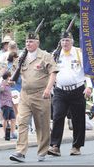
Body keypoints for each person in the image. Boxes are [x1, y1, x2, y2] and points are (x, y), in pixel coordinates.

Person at [9, 28, 58, 163]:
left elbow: (53, 72)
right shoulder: (21, 57)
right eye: (26, 41)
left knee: (42, 126)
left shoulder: (45, 56)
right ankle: (20, 152)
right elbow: (14, 72)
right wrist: (11, 80)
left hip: (41, 95)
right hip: (25, 95)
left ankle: (42, 151)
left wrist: (48, 89)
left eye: (31, 41)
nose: (28, 44)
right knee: (22, 121)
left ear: (37, 42)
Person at [48, 29, 92, 157]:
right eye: (62, 40)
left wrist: (89, 86)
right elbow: (50, 71)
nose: (65, 43)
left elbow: (87, 71)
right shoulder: (56, 54)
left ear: (72, 41)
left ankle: (76, 146)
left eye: (67, 40)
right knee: (57, 117)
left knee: (78, 119)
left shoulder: (79, 53)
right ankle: (55, 146)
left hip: (77, 89)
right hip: (60, 90)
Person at [0, 70, 17, 140]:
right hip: (5, 104)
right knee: (5, 119)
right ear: (7, 77)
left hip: (10, 103)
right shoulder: (3, 83)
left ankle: (13, 133)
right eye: (10, 76)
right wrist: (3, 85)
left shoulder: (8, 83)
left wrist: (12, 97)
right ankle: (6, 134)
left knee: (13, 119)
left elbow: (14, 84)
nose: (11, 77)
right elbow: (1, 90)